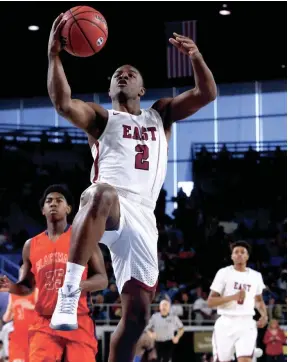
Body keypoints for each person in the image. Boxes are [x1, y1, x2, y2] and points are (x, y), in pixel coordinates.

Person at [47, 12, 217, 362]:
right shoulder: (101, 118)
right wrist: (54, 56)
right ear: (111, 89)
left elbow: (206, 94)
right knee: (100, 192)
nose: (123, 75)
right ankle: (68, 292)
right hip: (110, 207)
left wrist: (196, 57)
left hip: (144, 217)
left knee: (137, 317)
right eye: (116, 75)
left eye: (131, 74)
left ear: (142, 89)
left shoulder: (161, 113)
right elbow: (63, 104)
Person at [0, 184, 108, 362]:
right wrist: (11, 286)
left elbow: (102, 279)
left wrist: (79, 285)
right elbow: (27, 287)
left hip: (77, 320)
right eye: (49, 201)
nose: (53, 204)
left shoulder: (84, 239)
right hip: (44, 323)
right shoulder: (30, 245)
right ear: (43, 210)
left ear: (68, 209)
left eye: (59, 200)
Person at [207, 241, 268, 362]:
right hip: (226, 322)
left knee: (245, 359)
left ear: (247, 256)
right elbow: (210, 302)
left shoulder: (256, 276)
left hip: (247, 323)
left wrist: (265, 315)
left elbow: (259, 300)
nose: (239, 254)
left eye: (243, 252)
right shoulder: (223, 273)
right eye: (236, 252)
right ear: (232, 256)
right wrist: (233, 297)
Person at [2, 266, 37, 362]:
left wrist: (29, 306)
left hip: (34, 335)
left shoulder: (36, 290)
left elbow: (46, 312)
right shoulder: (13, 293)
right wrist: (9, 313)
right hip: (18, 337)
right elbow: (6, 317)